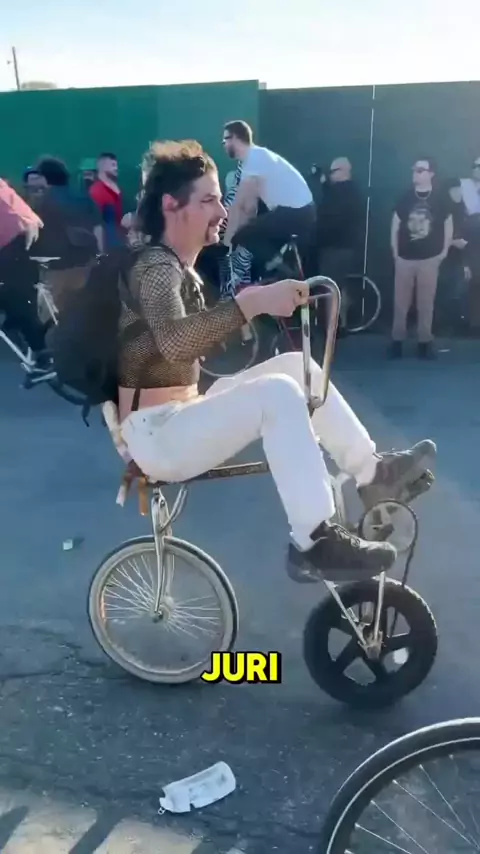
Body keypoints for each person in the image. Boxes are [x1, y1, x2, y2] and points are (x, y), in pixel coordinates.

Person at [112, 139, 435, 581]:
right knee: (278, 394)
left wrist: (250, 301)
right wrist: (253, 303)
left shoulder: (172, 265)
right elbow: (174, 343)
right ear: (172, 205)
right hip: (160, 436)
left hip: (177, 413)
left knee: (294, 366)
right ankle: (314, 541)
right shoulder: (155, 266)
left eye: (220, 199)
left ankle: (373, 474)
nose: (222, 210)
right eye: (208, 201)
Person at [221, 121, 316, 277]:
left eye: (226, 139)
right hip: (299, 212)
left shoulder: (254, 158)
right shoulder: (257, 157)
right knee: (252, 234)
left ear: (236, 138)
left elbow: (240, 204)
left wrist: (227, 243)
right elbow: (250, 208)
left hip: (295, 212)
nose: (224, 144)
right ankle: (274, 271)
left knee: (243, 236)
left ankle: (280, 267)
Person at [389, 157, 453, 360]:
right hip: (405, 259)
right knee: (401, 302)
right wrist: (395, 252)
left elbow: (448, 224)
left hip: (429, 259)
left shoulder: (440, 198)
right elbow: (395, 224)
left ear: (431, 173)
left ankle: (424, 342)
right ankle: (397, 341)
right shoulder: (406, 197)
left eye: (420, 170)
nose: (415, 173)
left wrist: (444, 251)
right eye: (414, 169)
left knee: (426, 303)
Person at [34, 157, 103, 311]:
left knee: (49, 313)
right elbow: (98, 228)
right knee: (78, 311)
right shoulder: (83, 197)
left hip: (55, 268)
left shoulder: (43, 201)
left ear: (44, 177)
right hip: (84, 264)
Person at [0, 177, 50, 369]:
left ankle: (44, 356)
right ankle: (14, 326)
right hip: (27, 230)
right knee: (17, 293)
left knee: (12, 295)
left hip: (15, 236)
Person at [317, 157, 364, 331]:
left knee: (332, 287)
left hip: (338, 246)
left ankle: (335, 325)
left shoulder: (346, 192)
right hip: (337, 246)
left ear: (345, 171)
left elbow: (334, 216)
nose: (330, 175)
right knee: (337, 286)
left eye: (333, 171)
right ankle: (337, 323)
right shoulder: (345, 191)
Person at [460, 157, 480, 333]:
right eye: (476, 166)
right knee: (472, 283)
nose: (478, 169)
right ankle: (474, 324)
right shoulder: (464, 186)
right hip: (469, 241)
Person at [89, 153, 125, 250]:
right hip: (108, 245)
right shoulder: (96, 191)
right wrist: (101, 252)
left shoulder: (117, 189)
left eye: (116, 165)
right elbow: (97, 224)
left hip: (118, 243)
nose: (116, 168)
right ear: (103, 166)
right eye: (113, 165)